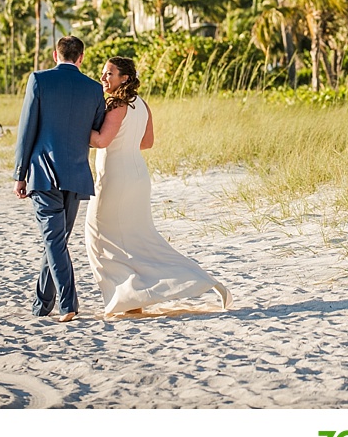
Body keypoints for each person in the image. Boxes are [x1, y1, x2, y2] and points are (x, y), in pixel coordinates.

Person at [85, 56, 232, 316]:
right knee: (137, 239)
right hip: (138, 176)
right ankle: (139, 296)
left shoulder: (117, 104)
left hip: (116, 178)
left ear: (125, 78)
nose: (103, 77)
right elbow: (147, 142)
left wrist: (74, 128)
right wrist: (125, 142)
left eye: (109, 73)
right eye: (103, 73)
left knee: (97, 235)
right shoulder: (141, 104)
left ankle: (129, 297)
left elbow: (101, 141)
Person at [14, 35, 106, 323]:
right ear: (80, 58)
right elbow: (95, 131)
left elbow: (26, 129)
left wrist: (20, 174)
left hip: (42, 172)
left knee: (54, 241)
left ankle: (68, 304)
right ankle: (41, 305)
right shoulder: (93, 88)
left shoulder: (38, 80)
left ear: (56, 55)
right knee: (56, 241)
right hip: (76, 174)